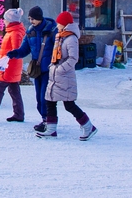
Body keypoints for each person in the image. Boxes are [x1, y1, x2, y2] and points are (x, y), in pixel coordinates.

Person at [37, 11, 97, 140]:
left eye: (59, 23)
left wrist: (60, 69)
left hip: (65, 76)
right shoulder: (61, 36)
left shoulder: (71, 38)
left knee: (69, 105)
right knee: (50, 101)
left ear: (64, 24)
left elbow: (73, 58)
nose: (57, 25)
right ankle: (51, 130)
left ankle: (88, 126)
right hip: (56, 75)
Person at [7, 6, 56, 133]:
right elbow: (24, 49)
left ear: (39, 18)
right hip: (37, 69)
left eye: (33, 18)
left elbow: (58, 48)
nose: (31, 21)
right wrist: (13, 54)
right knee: (39, 97)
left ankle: (48, 121)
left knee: (45, 97)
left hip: (49, 68)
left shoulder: (51, 30)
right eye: (29, 18)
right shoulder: (30, 31)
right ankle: (44, 119)